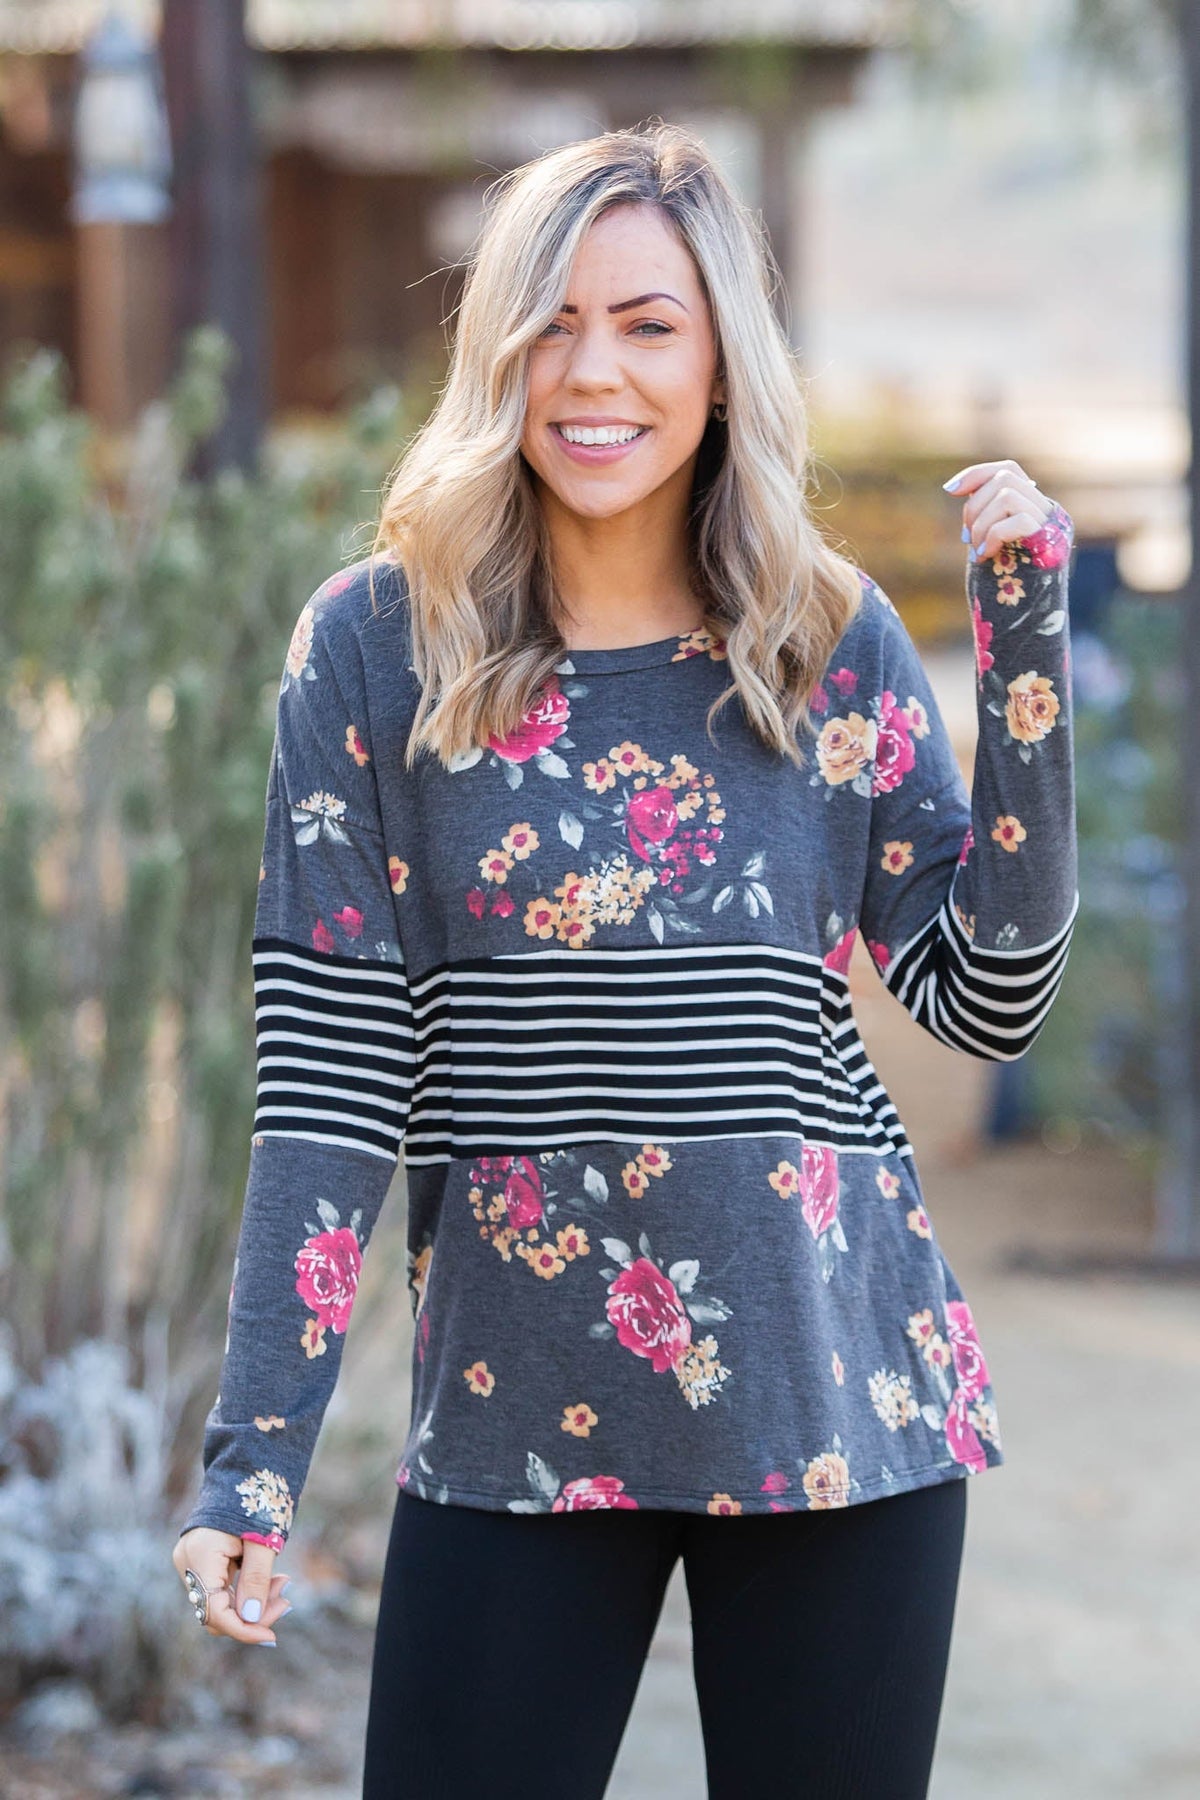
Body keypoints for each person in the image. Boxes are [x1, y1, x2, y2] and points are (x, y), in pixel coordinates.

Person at [172, 121, 1078, 1797]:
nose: (595, 373)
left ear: (725, 356)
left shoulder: (828, 636)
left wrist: (1022, 645)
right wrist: (256, 1458)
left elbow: (986, 992)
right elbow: (329, 1076)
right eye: (550, 323)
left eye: (650, 323)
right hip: (516, 1410)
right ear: (494, 351)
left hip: (838, 1403)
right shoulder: (378, 645)